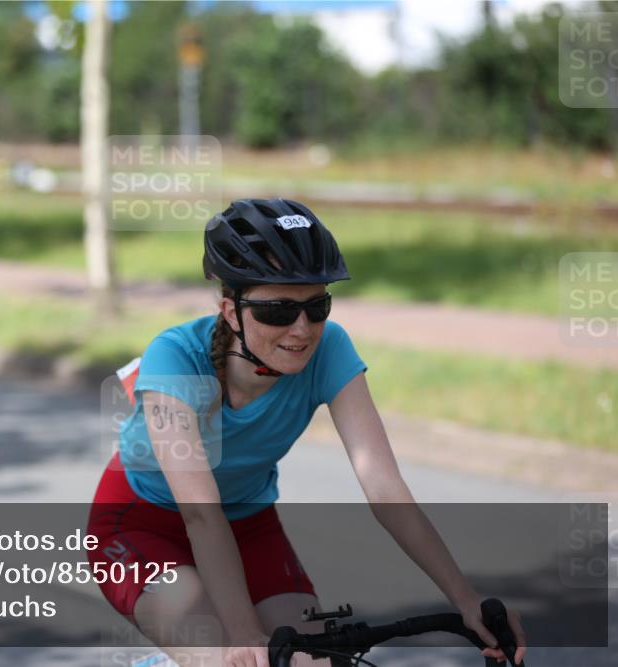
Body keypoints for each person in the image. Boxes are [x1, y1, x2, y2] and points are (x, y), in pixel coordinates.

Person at [87, 199, 527, 667]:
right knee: (226, 658)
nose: (302, 329)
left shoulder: (330, 347)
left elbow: (384, 488)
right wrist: (242, 635)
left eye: (317, 306)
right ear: (231, 311)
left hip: (250, 524)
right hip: (140, 524)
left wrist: (466, 599)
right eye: (278, 310)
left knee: (315, 662)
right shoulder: (174, 359)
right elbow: (200, 515)